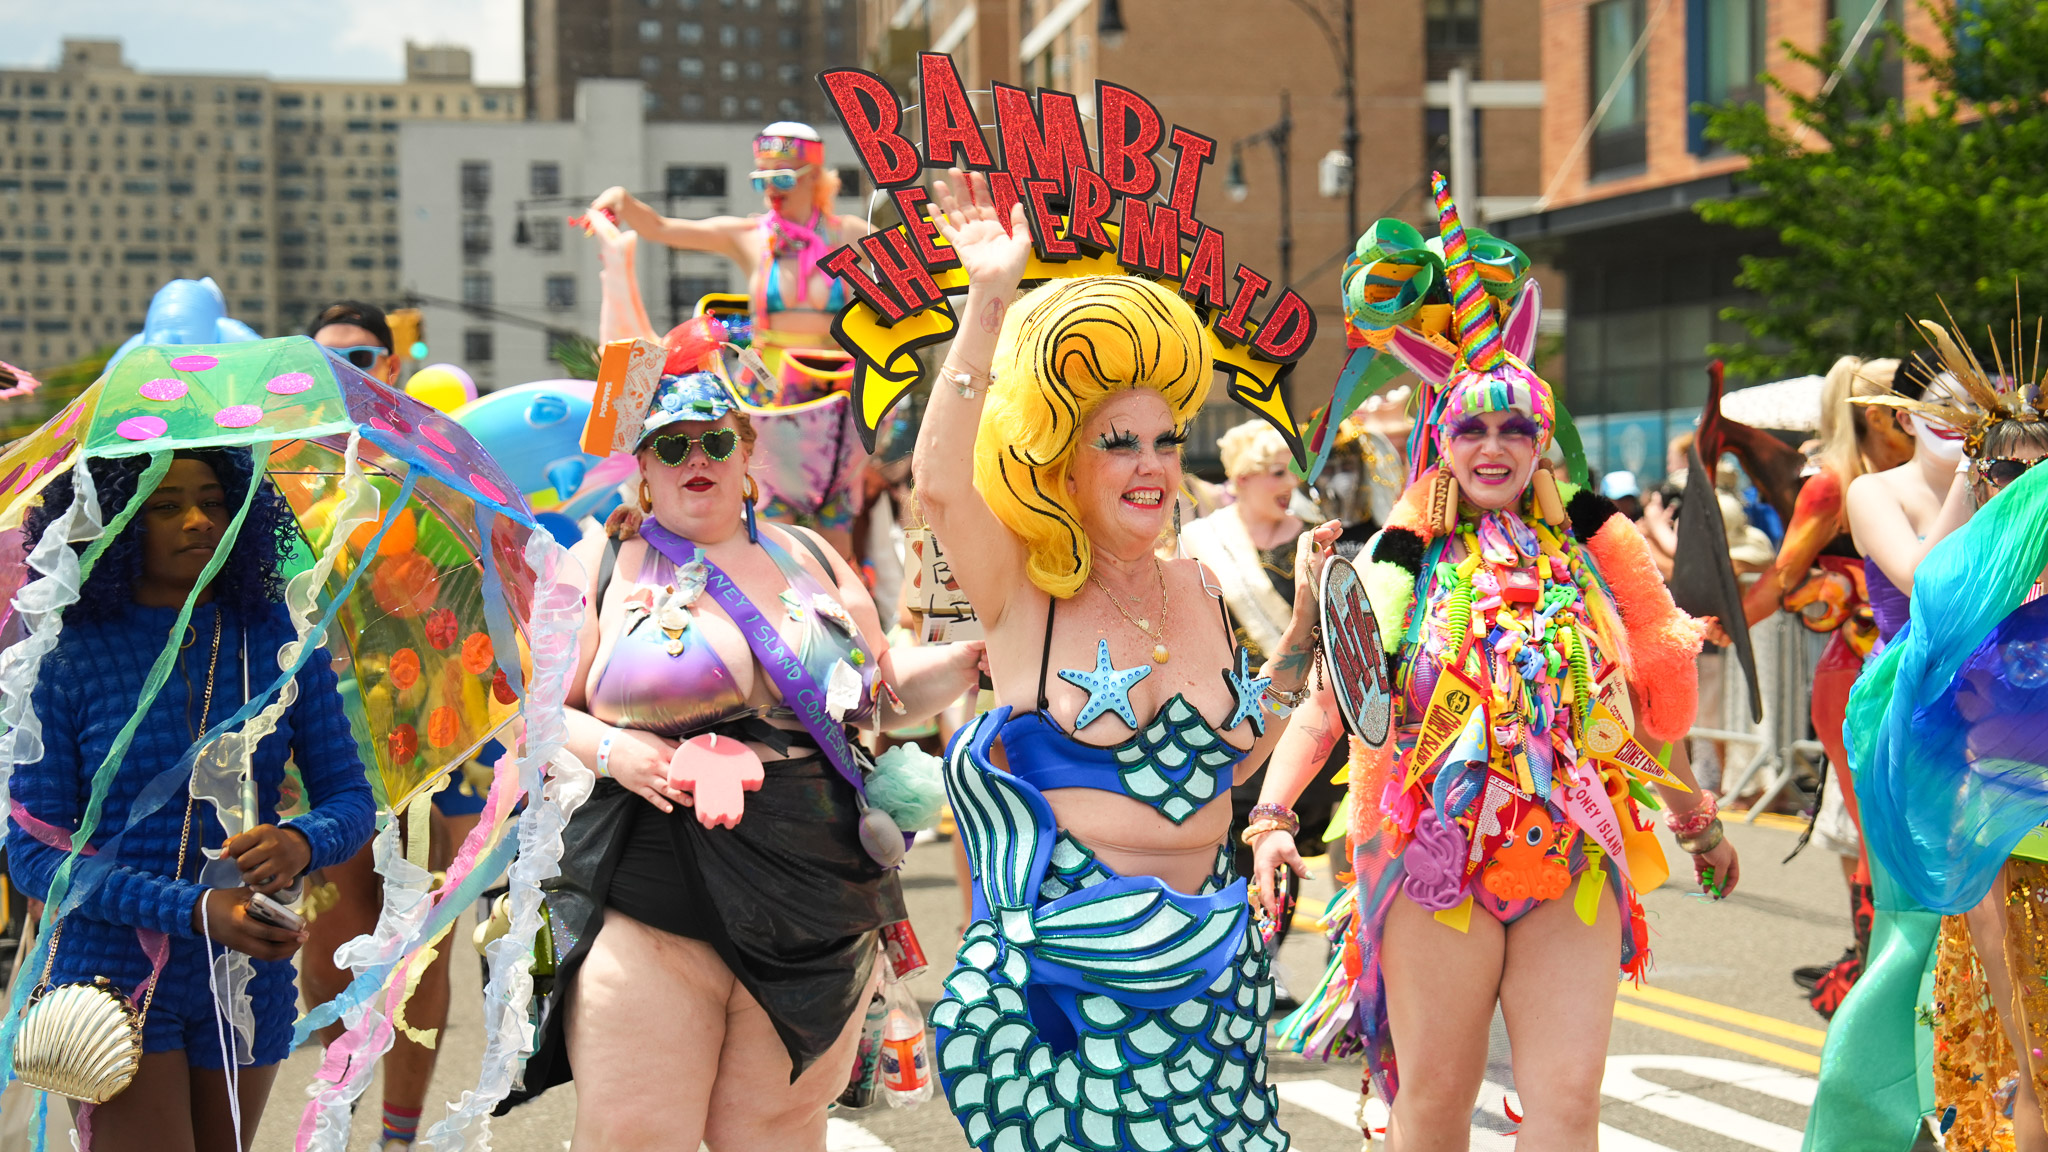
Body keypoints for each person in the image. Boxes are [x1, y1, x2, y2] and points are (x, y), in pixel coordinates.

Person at [1251, 177, 1733, 1151]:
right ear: (1441, 440)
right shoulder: (1401, 562)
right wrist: (1270, 818)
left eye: (1516, 427)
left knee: (1566, 1108)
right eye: (1470, 426)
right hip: (1434, 863)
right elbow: (1331, 705)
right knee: (1434, 1105)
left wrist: (1694, 816)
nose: (1493, 445)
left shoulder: (1582, 563)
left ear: (1541, 442)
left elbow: (1623, 719)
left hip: (1569, 861)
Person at [912, 170, 1335, 1151]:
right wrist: (988, 301)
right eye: (1118, 443)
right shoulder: (1022, 591)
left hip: (1211, 967)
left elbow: (1234, 757)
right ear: (1059, 455)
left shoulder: (1195, 586)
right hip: (1075, 981)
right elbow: (939, 485)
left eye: (1162, 439)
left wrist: (1312, 626)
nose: (1149, 464)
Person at [498, 352, 982, 1149]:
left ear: (746, 452)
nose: (696, 460)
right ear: (643, 464)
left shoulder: (813, 557)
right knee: (636, 1133)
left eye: (715, 443)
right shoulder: (598, 564)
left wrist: (965, 663)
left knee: (778, 1134)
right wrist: (615, 748)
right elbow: (536, 716)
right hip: (653, 883)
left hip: (817, 890)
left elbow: (882, 695)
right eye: (672, 443)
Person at [7, 448, 376, 1152]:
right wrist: (196, 909)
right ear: (110, 522)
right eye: (166, 504)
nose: (199, 519)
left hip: (246, 976)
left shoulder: (278, 639)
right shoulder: (64, 655)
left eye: (213, 498)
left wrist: (301, 840)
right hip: (109, 977)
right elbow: (33, 854)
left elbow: (349, 798)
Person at [294, 300, 488, 1152]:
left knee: (421, 949)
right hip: (319, 742)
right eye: (327, 360)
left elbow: (490, 561)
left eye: (363, 358)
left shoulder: (436, 463)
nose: (347, 375)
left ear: (392, 367)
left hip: (423, 735)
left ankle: (398, 1141)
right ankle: (339, 1116)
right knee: (329, 948)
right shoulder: (283, 472)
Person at [589, 123, 874, 557]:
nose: (770, 191)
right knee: (772, 522)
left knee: (837, 533)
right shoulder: (752, 236)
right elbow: (664, 228)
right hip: (773, 396)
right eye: (761, 180)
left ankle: (845, 616)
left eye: (783, 178)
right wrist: (623, 201)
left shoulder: (849, 235)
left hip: (835, 395)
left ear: (815, 177)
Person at [1734, 355, 1916, 1015]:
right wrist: (1711, 625)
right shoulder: (1834, 483)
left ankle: (1893, 982)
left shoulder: (1913, 477)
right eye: (1916, 411)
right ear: (1880, 415)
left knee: (1902, 835)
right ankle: (1876, 991)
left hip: (1913, 677)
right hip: (1858, 678)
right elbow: (1782, 578)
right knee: (1875, 835)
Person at [1180, 420, 1345, 998]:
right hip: (1240, 714)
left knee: (1305, 840)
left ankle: (1342, 973)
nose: (1286, 484)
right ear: (1241, 480)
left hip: (1317, 714)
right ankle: (1257, 965)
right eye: (1274, 472)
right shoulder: (1203, 540)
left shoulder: (1319, 541)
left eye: (1291, 472)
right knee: (1248, 841)